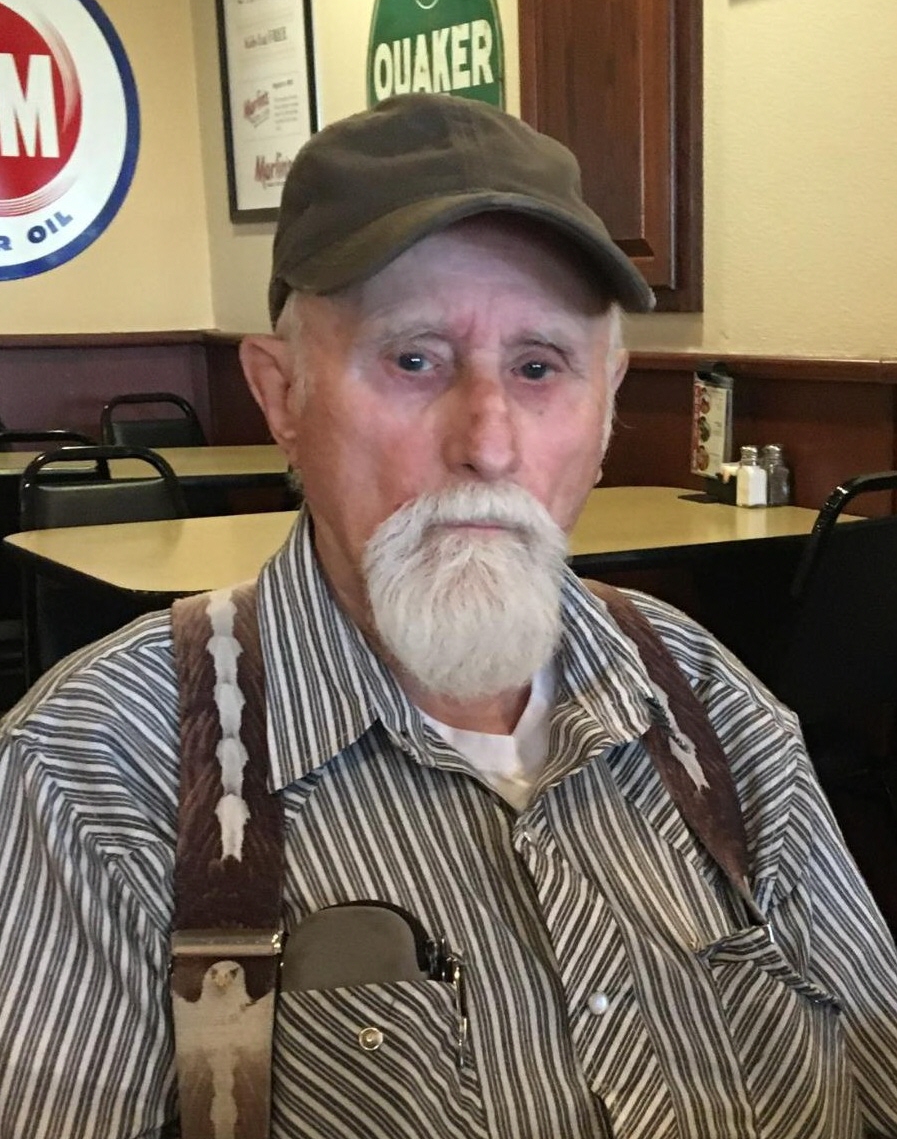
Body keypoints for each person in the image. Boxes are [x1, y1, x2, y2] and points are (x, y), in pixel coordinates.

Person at [1, 93, 896, 1139]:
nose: (489, 442)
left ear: (607, 403)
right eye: (415, 358)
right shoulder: (94, 770)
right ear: (282, 395)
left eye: (539, 366)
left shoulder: (707, 701)